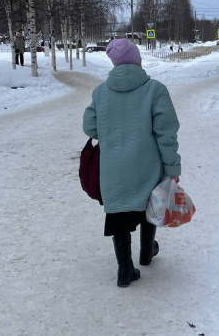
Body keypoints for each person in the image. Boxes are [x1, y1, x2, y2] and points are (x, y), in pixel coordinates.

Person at [83, 38, 181, 288]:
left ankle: (124, 270)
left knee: (118, 213)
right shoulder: (155, 90)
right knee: (149, 206)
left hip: (113, 168)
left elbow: (90, 127)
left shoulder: (100, 92)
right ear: (138, 60)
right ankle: (147, 253)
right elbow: (166, 134)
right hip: (147, 165)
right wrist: (171, 169)